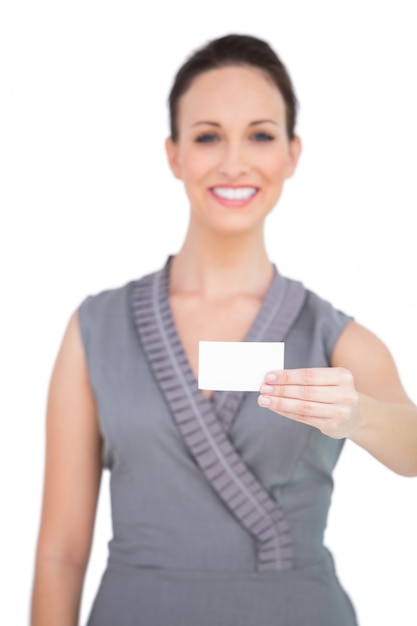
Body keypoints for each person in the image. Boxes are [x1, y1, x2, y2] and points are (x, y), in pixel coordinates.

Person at [30, 34, 417, 626]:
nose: (234, 161)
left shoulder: (335, 336)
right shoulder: (95, 330)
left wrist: (358, 416)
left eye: (260, 135)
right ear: (174, 155)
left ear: (292, 154)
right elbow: (60, 553)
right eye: (208, 136)